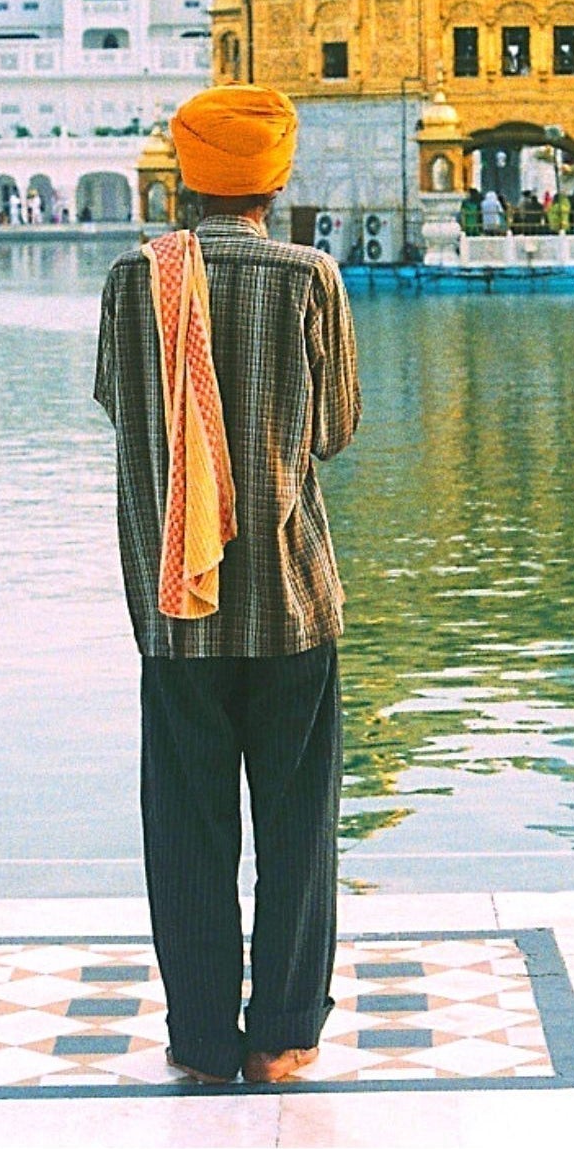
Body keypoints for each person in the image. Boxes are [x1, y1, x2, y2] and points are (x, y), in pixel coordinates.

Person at [93, 84, 360, 1088]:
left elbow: (122, 411)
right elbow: (334, 426)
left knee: (188, 829)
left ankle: (202, 1040)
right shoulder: (309, 276)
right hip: (290, 595)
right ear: (275, 178)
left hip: (175, 600)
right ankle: (283, 1034)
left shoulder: (133, 279)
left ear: (188, 177)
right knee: (298, 825)